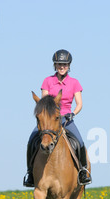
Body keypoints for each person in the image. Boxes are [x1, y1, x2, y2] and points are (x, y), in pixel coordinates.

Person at [23, 49, 91, 187]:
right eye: (59, 64)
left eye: (65, 64)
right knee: (31, 140)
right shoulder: (48, 81)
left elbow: (79, 104)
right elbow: (44, 102)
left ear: (69, 66)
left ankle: (83, 171)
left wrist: (73, 113)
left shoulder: (74, 83)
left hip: (66, 118)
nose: (62, 67)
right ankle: (30, 173)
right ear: (55, 65)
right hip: (49, 120)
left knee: (80, 142)